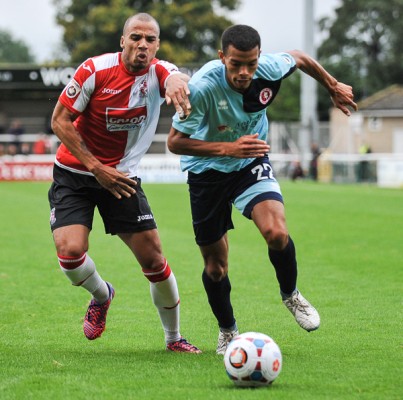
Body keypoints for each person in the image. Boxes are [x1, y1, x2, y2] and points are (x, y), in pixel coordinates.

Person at [167, 24, 357, 355]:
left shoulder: (268, 68)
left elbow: (299, 58)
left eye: (251, 64)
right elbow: (175, 143)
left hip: (249, 162)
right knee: (216, 267)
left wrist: (333, 85)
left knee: (278, 233)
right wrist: (227, 149)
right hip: (206, 173)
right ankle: (227, 330)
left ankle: (291, 295)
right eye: (236, 64)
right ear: (221, 56)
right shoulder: (201, 88)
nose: (244, 73)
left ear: (259, 57)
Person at [48, 13, 200, 353]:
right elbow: (59, 121)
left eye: (149, 39)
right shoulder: (94, 70)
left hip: (122, 180)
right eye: (135, 37)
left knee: (154, 261)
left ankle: (174, 339)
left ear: (157, 46)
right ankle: (103, 295)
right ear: (123, 41)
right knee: (70, 255)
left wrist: (178, 79)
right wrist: (95, 166)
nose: (142, 45)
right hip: (74, 174)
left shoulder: (160, 73)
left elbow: (175, 76)